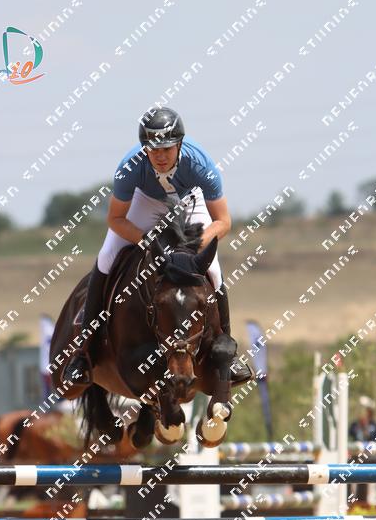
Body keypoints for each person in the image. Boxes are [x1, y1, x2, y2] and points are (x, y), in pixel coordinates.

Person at [63, 107, 252, 385]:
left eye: (166, 149)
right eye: (153, 150)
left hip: (189, 201)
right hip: (145, 201)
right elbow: (115, 220)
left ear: (179, 145)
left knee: (212, 266)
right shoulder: (130, 168)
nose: (160, 156)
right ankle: (83, 353)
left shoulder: (201, 165)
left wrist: (197, 244)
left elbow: (223, 222)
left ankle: (226, 349)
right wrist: (147, 241)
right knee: (106, 257)